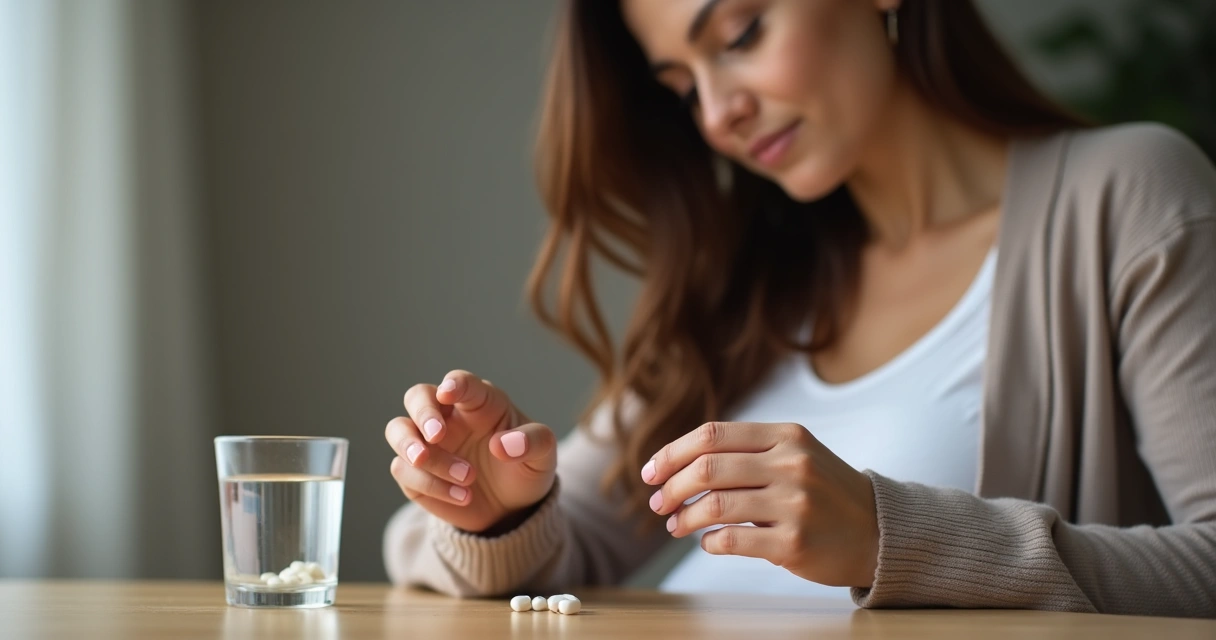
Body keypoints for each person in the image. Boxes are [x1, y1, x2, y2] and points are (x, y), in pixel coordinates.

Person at [382, 0, 1216, 617]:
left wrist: (889, 536)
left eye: (741, 34)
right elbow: (533, 547)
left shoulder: (1127, 197)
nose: (719, 114)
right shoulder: (744, 283)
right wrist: (495, 510)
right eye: (682, 88)